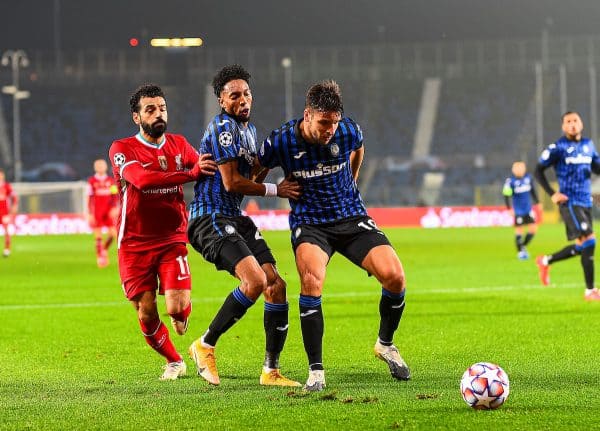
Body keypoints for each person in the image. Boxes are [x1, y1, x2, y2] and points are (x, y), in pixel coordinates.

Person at [258, 80, 410, 391]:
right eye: (324, 122)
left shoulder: (348, 130)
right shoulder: (282, 141)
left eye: (334, 122)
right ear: (308, 115)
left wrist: (351, 183)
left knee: (395, 277)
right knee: (311, 283)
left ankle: (385, 344)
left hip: (351, 217)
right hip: (311, 223)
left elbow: (358, 149)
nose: (330, 130)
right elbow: (256, 170)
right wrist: (271, 190)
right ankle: (316, 371)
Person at [187, 64, 302, 387]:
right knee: (254, 280)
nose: (243, 100)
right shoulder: (223, 127)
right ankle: (204, 344)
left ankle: (271, 371)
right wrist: (277, 189)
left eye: (247, 93)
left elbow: (250, 177)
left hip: (234, 218)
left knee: (275, 285)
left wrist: (271, 165)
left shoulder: (249, 132)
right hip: (209, 217)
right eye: (234, 95)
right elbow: (233, 182)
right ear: (222, 101)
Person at [108, 84, 218, 380]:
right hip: (133, 243)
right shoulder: (121, 149)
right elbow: (142, 180)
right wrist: (190, 175)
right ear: (137, 117)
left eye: (162, 108)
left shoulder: (180, 145)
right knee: (146, 311)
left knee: (177, 313)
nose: (158, 114)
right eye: (150, 109)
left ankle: (182, 311)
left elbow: (205, 168)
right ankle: (174, 360)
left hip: (171, 238)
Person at [535, 111, 600, 301]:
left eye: (575, 121)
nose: (572, 124)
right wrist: (552, 193)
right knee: (590, 240)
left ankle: (546, 261)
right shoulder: (558, 147)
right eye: (568, 122)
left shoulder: (588, 145)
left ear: (581, 124)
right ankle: (590, 291)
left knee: (582, 245)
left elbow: (597, 168)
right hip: (569, 201)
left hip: (585, 201)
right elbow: (538, 170)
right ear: (563, 127)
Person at [502, 161, 540, 260]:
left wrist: (537, 202)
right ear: (513, 170)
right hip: (518, 211)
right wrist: (509, 209)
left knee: (533, 229)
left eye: (522, 168)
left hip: (528, 209)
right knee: (519, 231)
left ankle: (522, 246)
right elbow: (506, 196)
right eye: (517, 168)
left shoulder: (528, 178)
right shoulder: (510, 182)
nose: (520, 170)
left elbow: (533, 191)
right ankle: (520, 252)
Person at [87, 159, 119, 267]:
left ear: (105, 167)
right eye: (98, 166)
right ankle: (100, 258)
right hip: (97, 211)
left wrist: (114, 207)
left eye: (102, 165)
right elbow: (90, 197)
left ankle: (104, 249)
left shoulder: (111, 180)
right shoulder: (91, 181)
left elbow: (115, 195)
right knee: (98, 234)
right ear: (95, 168)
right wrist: (90, 213)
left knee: (113, 233)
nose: (100, 167)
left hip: (108, 210)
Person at [0, 168, 18, 257]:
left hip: (4, 213)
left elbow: (14, 197)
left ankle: (7, 249)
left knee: (6, 230)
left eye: (1, 175)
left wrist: (14, 206)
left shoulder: (6, 186)